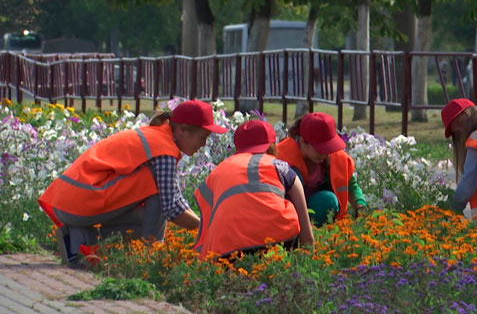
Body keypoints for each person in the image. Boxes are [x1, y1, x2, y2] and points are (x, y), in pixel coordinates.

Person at [38, 100, 227, 266]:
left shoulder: (157, 137)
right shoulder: (163, 149)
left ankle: (79, 238)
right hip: (79, 203)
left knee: (143, 218)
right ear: (183, 130)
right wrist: (206, 228)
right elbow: (172, 208)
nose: (203, 145)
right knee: (157, 188)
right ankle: (150, 257)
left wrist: (202, 223)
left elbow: (175, 200)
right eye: (202, 138)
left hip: (70, 203)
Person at [192, 120, 314, 260]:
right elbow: (307, 235)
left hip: (225, 250)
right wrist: (308, 264)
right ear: (272, 145)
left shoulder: (218, 171)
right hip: (276, 241)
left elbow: (206, 225)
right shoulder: (280, 166)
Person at [276, 112, 366, 226]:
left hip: (315, 209)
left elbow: (351, 184)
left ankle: (316, 233)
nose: (325, 154)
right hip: (288, 214)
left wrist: (360, 205)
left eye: (329, 148)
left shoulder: (335, 157)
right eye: (320, 149)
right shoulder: (281, 157)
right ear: (303, 142)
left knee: (329, 200)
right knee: (292, 175)